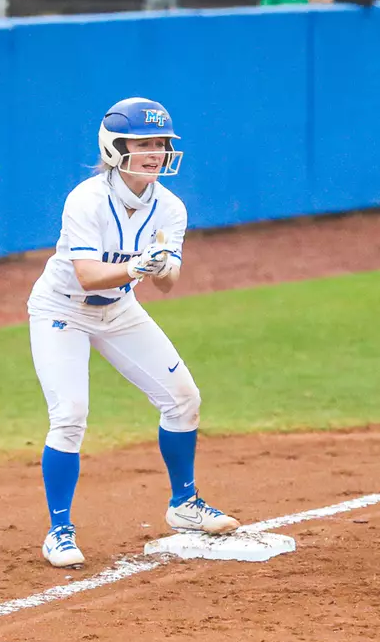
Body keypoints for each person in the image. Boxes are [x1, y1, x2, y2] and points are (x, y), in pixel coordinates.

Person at [27, 97, 239, 569]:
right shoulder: (86, 199)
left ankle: (185, 504)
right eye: (144, 143)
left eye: (161, 144)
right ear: (115, 146)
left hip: (120, 310)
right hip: (62, 310)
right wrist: (136, 268)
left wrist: (160, 267)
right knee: (70, 414)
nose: (156, 152)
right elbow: (85, 275)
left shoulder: (170, 207)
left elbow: (166, 284)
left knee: (183, 398)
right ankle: (59, 530)